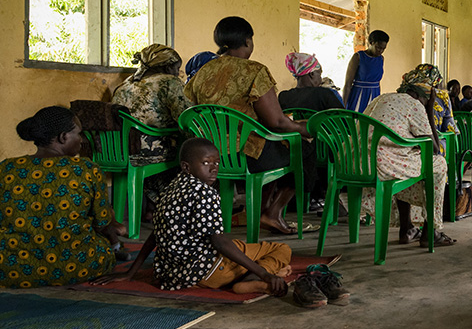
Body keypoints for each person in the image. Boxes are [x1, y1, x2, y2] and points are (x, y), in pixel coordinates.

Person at [92, 138, 297, 295]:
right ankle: (254, 279)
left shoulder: (170, 189)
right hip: (209, 272)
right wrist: (265, 273)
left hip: (173, 275)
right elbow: (218, 242)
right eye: (206, 162)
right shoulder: (205, 193)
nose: (214, 168)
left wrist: (130, 272)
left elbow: (156, 234)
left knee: (237, 244)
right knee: (280, 249)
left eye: (216, 162)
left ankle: (250, 273)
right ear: (186, 167)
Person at [184, 16, 314, 235]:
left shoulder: (202, 73)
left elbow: (192, 112)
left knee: (273, 146)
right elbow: (277, 122)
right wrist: (304, 128)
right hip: (246, 155)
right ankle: (272, 213)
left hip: (213, 156)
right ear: (247, 41)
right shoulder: (254, 71)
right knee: (303, 150)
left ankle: (261, 211)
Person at [1, 106, 126, 288]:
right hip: (79, 265)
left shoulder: (7, 169)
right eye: (79, 134)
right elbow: (102, 223)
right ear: (63, 137)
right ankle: (116, 249)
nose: (82, 140)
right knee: (105, 226)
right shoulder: (85, 169)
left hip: (11, 268)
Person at [360, 72, 457, 247]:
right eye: (428, 100)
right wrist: (428, 110)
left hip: (357, 164)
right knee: (438, 165)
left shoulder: (381, 98)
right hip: (384, 165)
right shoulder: (414, 105)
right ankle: (429, 233)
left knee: (411, 160)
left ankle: (407, 228)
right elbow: (434, 149)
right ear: (421, 96)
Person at [111, 44, 193, 218]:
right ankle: (173, 210)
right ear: (166, 66)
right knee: (191, 149)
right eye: (176, 68)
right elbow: (186, 118)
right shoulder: (169, 82)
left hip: (120, 149)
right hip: (148, 149)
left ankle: (151, 208)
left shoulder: (124, 85)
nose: (177, 73)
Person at [278, 52, 344, 111]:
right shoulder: (324, 94)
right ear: (312, 74)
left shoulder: (284, 97)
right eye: (319, 74)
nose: (320, 79)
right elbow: (344, 121)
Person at [342, 30, 389, 113]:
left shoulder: (381, 59)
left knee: (371, 121)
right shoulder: (358, 57)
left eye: (383, 49)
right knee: (355, 121)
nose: (380, 51)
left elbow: (378, 83)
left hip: (375, 95)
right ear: (371, 43)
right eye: (378, 47)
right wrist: (343, 106)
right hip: (359, 95)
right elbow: (348, 84)